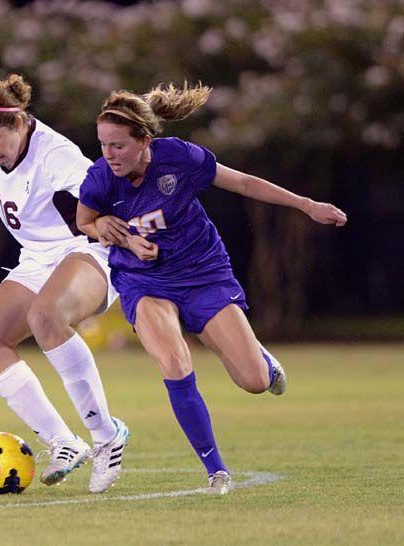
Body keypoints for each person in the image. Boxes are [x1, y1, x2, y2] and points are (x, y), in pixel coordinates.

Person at [77, 82, 347, 494]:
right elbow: (85, 221)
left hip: (203, 275)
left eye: (117, 146)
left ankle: (263, 362)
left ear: (144, 141)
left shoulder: (179, 158)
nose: (107, 155)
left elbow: (243, 183)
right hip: (144, 281)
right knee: (173, 358)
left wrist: (308, 206)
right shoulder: (100, 178)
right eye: (103, 145)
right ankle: (216, 471)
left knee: (254, 381)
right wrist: (112, 233)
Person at [0, 74, 129, 493]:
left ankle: (106, 435)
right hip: (38, 260)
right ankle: (63, 442)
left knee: (46, 316)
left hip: (88, 251)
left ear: (19, 122)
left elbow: (106, 195)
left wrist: (131, 233)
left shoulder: (55, 155)